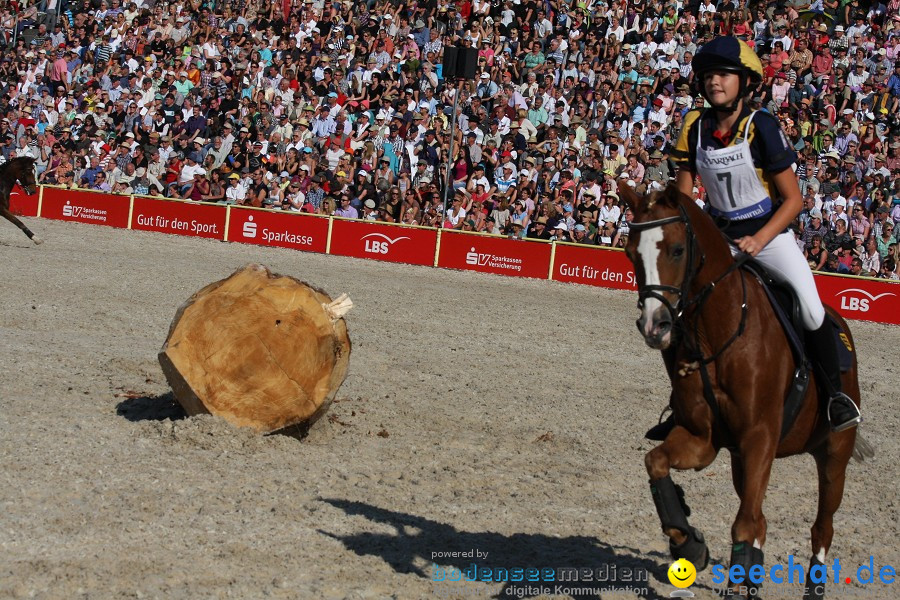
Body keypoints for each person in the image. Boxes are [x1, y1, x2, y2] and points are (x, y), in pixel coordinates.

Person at [647, 36, 861, 441]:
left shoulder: (761, 125)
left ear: (744, 82)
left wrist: (760, 240)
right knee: (676, 313)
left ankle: (836, 399)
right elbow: (686, 196)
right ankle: (681, 405)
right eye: (709, 75)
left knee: (813, 310)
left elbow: (794, 199)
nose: (714, 82)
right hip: (717, 238)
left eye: (723, 74)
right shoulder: (694, 126)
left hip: (768, 235)